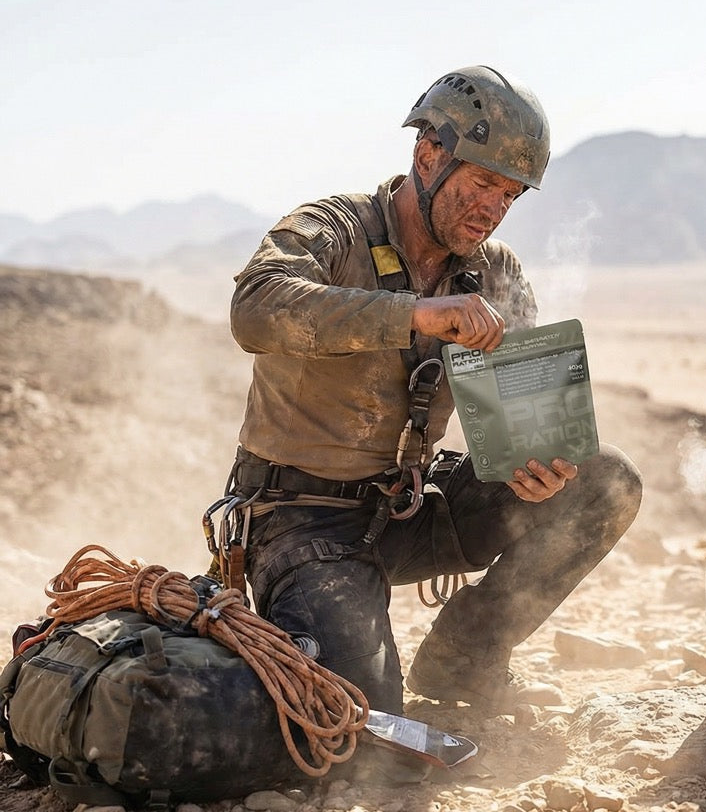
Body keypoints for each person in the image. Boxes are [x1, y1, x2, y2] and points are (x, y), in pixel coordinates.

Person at [223, 65, 642, 716]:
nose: (492, 210)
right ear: (428, 156)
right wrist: (411, 315)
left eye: (509, 196)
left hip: (407, 506)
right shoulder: (333, 229)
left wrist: (535, 463)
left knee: (604, 481)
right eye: (482, 184)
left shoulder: (494, 272)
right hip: (301, 516)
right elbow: (254, 308)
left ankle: (465, 660)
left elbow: (516, 399)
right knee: (359, 714)